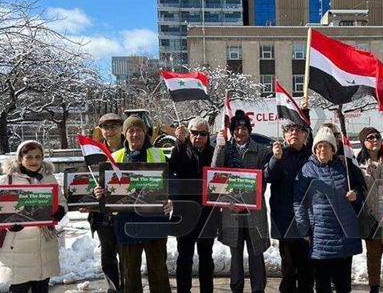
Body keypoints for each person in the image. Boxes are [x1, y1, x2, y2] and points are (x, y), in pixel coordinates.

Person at [94, 115, 173, 293]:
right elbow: (104, 187)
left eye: (139, 130)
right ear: (125, 134)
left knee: (158, 270)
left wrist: (171, 199)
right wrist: (99, 193)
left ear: (145, 133)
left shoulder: (159, 155)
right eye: (131, 131)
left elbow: (172, 183)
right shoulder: (114, 157)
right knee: (130, 274)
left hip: (155, 223)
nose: (135, 134)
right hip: (126, 223)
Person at [294, 127, 365, 293]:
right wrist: (303, 228)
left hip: (344, 235)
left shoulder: (344, 167)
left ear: (333, 149)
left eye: (326, 146)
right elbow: (298, 202)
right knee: (322, 284)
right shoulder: (307, 169)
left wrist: (356, 195)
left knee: (343, 284)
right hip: (321, 235)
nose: (322, 149)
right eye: (318, 146)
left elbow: (361, 191)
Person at [212, 110, 272, 293]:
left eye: (243, 128)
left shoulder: (262, 150)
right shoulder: (226, 149)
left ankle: (258, 288)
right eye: (236, 128)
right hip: (232, 212)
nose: (240, 132)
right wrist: (219, 148)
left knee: (256, 254)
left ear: (249, 129)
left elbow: (266, 177)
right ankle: (236, 288)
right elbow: (215, 173)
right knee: (235, 255)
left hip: (254, 212)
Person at [0, 140, 67, 293]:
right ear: (20, 158)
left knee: (41, 287)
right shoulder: (7, 180)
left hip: (44, 245)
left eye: (38, 157)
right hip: (18, 248)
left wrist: (60, 210)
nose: (34, 161)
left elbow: (61, 201)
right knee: (19, 288)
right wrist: (9, 224)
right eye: (29, 157)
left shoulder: (49, 178)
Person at [168, 118, 219, 293]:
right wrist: (180, 144)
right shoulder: (181, 150)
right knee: (184, 258)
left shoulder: (214, 153)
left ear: (208, 134)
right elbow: (172, 167)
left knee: (206, 258)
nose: (198, 137)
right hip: (185, 214)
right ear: (189, 133)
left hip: (207, 214)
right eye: (194, 133)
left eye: (202, 133)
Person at [264, 121, 314, 293]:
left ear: (305, 135)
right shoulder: (279, 155)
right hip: (284, 219)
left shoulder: (311, 156)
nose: (294, 133)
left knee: (307, 269)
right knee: (288, 268)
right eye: (290, 130)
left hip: (308, 219)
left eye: (298, 130)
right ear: (284, 136)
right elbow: (268, 177)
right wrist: (275, 159)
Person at [356, 126, 383, 293]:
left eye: (377, 137)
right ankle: (374, 288)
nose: (374, 140)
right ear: (363, 142)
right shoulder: (357, 165)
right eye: (370, 137)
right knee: (373, 260)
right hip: (371, 218)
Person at [87, 113, 124, 293]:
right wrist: (90, 195)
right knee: (107, 257)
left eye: (114, 126)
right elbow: (86, 181)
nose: (110, 131)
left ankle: (127, 287)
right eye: (106, 127)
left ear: (121, 127)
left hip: (125, 212)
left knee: (127, 256)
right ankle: (113, 289)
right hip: (103, 215)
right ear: (100, 130)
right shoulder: (94, 153)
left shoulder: (131, 148)